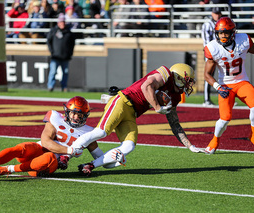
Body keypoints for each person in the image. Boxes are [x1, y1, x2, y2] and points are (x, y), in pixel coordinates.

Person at [71, 63, 203, 176]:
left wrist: (190, 146)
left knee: (129, 146)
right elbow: (146, 86)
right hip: (123, 101)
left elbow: (174, 123)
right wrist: (157, 107)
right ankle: (68, 154)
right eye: (187, 80)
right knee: (101, 132)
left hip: (132, 113)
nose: (188, 84)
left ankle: (89, 165)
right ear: (179, 77)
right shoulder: (165, 74)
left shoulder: (175, 97)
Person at [0, 96, 104, 177]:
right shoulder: (55, 117)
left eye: (80, 115)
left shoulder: (89, 132)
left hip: (49, 163)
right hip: (39, 150)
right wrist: (70, 151)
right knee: (23, 147)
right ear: (66, 112)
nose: (76, 117)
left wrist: (93, 164)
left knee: (47, 159)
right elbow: (46, 141)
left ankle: (8, 169)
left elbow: (99, 157)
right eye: (73, 113)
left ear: (85, 116)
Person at [203, 17, 254, 154]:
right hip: (225, 85)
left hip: (242, 82)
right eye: (220, 33)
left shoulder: (243, 40)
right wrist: (218, 87)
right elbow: (207, 75)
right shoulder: (213, 48)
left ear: (233, 33)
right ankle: (215, 140)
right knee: (225, 119)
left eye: (226, 33)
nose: (223, 36)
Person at [47, 13, 75, 92]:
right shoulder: (53, 31)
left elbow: (72, 43)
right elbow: (49, 41)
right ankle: (50, 86)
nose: (62, 23)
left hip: (65, 56)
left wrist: (70, 53)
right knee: (53, 72)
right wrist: (52, 51)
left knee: (65, 72)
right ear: (58, 22)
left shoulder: (68, 32)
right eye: (61, 22)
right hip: (55, 56)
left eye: (63, 22)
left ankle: (64, 87)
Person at [201, 7, 222, 106]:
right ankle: (206, 99)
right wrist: (209, 53)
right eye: (215, 13)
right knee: (209, 75)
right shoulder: (207, 24)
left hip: (222, 52)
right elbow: (206, 41)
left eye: (218, 13)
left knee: (225, 75)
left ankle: (228, 97)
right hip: (211, 53)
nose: (217, 15)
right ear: (212, 13)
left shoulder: (222, 23)